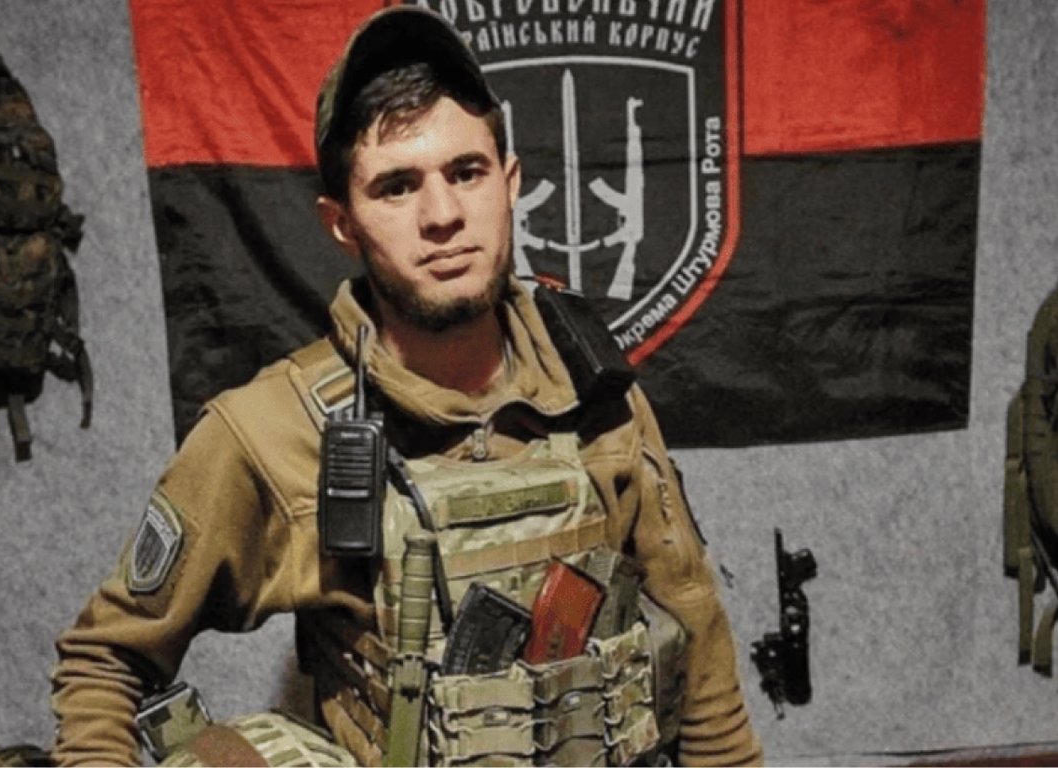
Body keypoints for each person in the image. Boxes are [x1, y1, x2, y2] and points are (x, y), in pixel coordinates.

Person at [51, 7, 761, 766]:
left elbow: (698, 639)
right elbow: (105, 660)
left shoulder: (593, 398)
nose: (443, 215)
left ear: (510, 183)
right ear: (342, 223)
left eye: (467, 172)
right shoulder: (273, 431)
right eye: (396, 187)